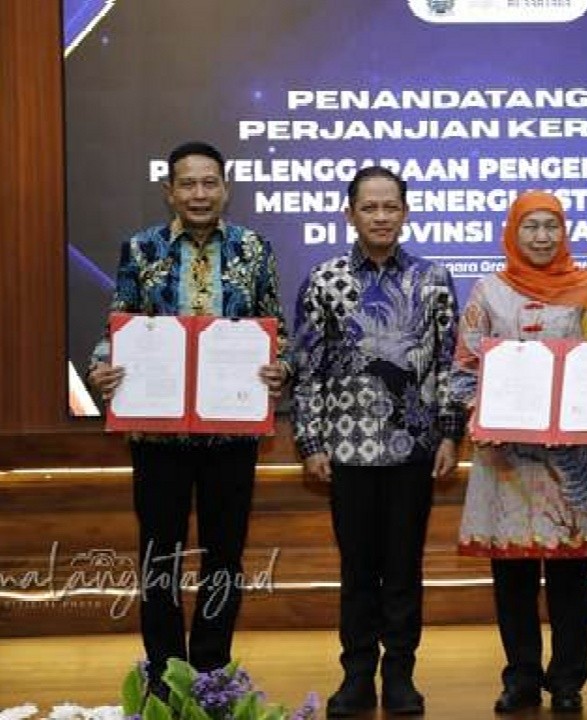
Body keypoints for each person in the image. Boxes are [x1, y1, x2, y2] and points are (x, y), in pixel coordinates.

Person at [86, 141, 291, 692]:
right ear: (169, 191)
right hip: (158, 433)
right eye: (188, 183)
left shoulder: (255, 249)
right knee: (161, 554)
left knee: (225, 554)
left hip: (231, 431)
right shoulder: (142, 248)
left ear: (226, 187)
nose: (200, 193)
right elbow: (119, 325)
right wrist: (101, 367)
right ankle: (165, 673)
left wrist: (281, 368)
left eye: (209, 183)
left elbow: (275, 329)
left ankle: (211, 671)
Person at [291, 166, 462, 716]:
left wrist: (450, 434)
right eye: (370, 207)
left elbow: (448, 363)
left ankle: (401, 675)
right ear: (350, 214)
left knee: (405, 568)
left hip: (415, 448)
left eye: (391, 207)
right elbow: (307, 368)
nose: (381, 217)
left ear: (405, 213)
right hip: (347, 450)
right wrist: (310, 441)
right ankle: (357, 675)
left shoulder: (433, 279)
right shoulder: (324, 280)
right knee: (358, 571)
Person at [450, 191, 587, 715]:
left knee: (572, 575)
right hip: (506, 458)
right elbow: (464, 368)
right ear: (513, 232)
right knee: (513, 576)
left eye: (552, 226)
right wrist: (480, 414)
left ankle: (569, 680)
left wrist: (582, 412)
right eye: (531, 226)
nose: (542, 237)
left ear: (565, 232)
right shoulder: (489, 291)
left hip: (573, 455)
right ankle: (521, 678)